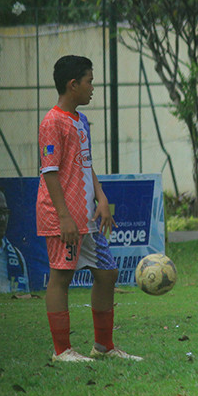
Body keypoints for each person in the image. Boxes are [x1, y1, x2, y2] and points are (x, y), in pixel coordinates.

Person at [37, 55, 141, 363]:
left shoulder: (80, 121)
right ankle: (62, 351)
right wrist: (64, 216)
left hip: (86, 218)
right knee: (61, 278)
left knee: (108, 273)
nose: (93, 87)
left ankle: (104, 347)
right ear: (73, 85)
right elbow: (50, 172)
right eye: (90, 81)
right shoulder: (52, 122)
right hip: (64, 218)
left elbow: (85, 163)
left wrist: (101, 198)